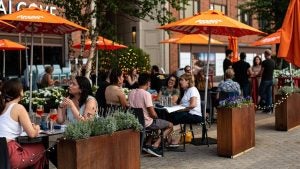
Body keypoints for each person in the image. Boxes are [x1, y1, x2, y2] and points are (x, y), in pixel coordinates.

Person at [0, 79, 47, 169]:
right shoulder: (18, 107)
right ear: (20, 92)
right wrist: (36, 127)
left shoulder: (2, 107)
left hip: (3, 153)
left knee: (28, 149)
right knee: (41, 148)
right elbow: (32, 134)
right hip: (9, 153)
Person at [128, 73, 173, 157]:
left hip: (135, 122)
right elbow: (153, 114)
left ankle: (147, 144)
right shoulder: (146, 94)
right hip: (146, 123)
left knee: (155, 123)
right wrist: (156, 117)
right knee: (170, 125)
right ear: (148, 83)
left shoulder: (131, 92)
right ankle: (155, 146)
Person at [168, 73, 202, 144]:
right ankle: (170, 139)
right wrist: (174, 106)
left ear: (188, 81)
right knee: (168, 115)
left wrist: (180, 109)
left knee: (173, 117)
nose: (180, 82)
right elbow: (181, 104)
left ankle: (173, 140)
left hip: (194, 115)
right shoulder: (186, 91)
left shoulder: (193, 90)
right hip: (187, 113)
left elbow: (193, 105)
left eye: (182, 80)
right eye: (180, 80)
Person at [259, 49, 275, 113]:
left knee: (260, 92)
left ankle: (268, 105)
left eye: (264, 54)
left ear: (266, 54)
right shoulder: (273, 62)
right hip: (271, 80)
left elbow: (261, 71)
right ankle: (269, 108)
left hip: (265, 80)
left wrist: (257, 74)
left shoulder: (264, 62)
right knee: (269, 94)